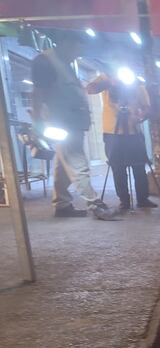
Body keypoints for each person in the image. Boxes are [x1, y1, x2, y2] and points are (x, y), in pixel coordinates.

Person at [31, 31, 102, 218]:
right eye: (77, 49)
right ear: (65, 42)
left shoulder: (65, 64)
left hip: (73, 123)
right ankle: (95, 203)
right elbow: (38, 93)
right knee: (78, 162)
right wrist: (37, 123)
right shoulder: (45, 61)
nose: (78, 54)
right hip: (61, 124)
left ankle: (62, 204)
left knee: (64, 164)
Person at [87, 69, 157, 210]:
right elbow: (90, 89)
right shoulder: (106, 77)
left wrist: (140, 117)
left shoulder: (137, 83)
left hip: (133, 131)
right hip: (112, 132)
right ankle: (124, 200)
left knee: (139, 166)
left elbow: (147, 108)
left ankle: (143, 199)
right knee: (117, 167)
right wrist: (109, 82)